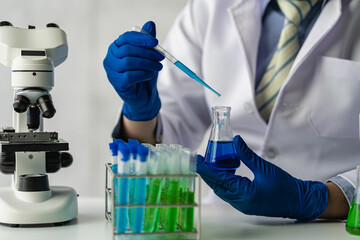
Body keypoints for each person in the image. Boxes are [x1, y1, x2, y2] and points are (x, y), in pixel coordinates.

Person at [103, 0, 360, 221]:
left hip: (331, 224)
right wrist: (140, 113)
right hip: (225, 222)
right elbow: (168, 148)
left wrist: (316, 200)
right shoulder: (211, 8)